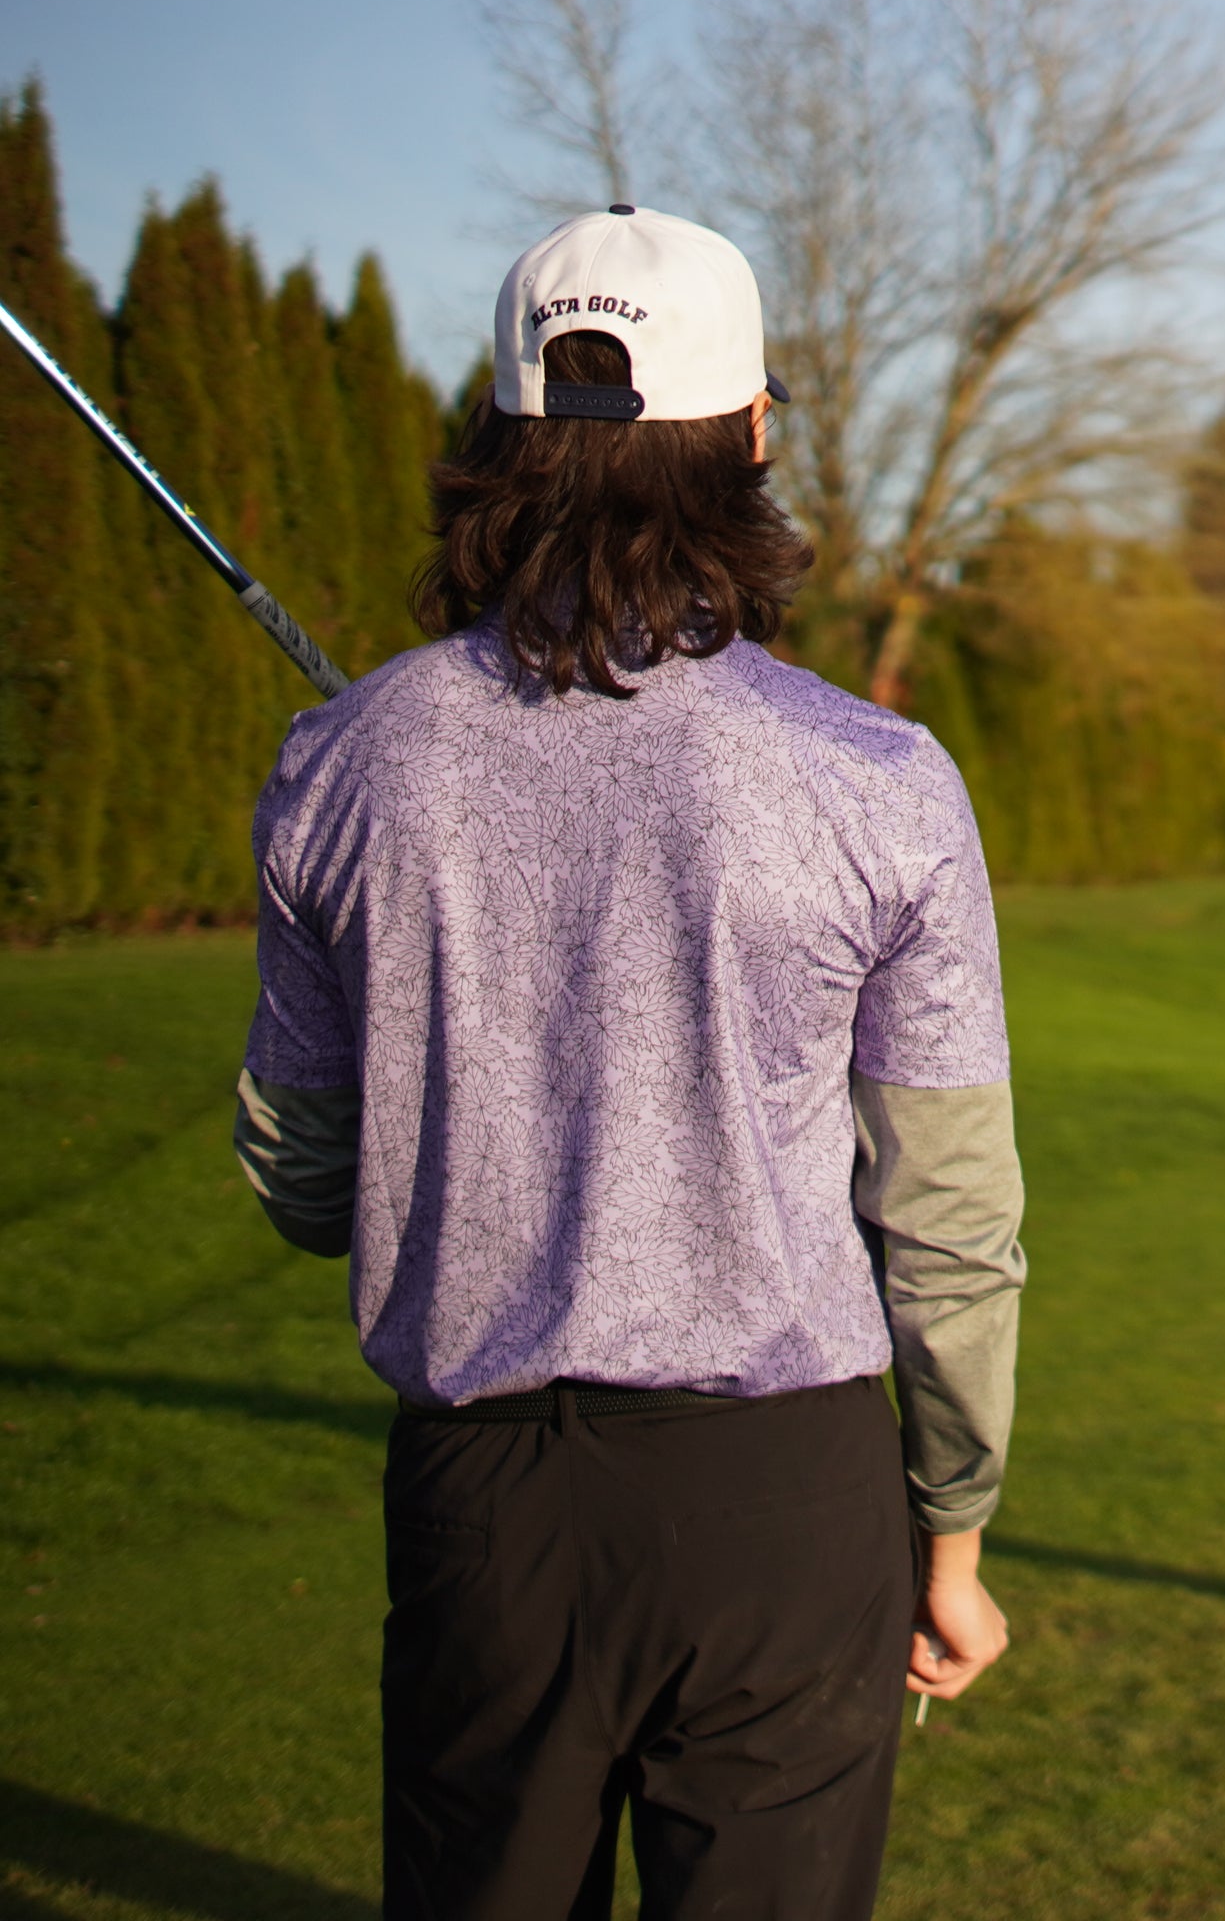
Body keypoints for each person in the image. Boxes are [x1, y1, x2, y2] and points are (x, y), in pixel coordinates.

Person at [229, 204, 1027, 1921]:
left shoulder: (341, 761)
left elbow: (303, 1179)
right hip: (785, 1506)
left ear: (505, 438)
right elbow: (948, 1217)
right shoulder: (877, 778)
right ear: (751, 437)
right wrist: (948, 1530)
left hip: (483, 1515)